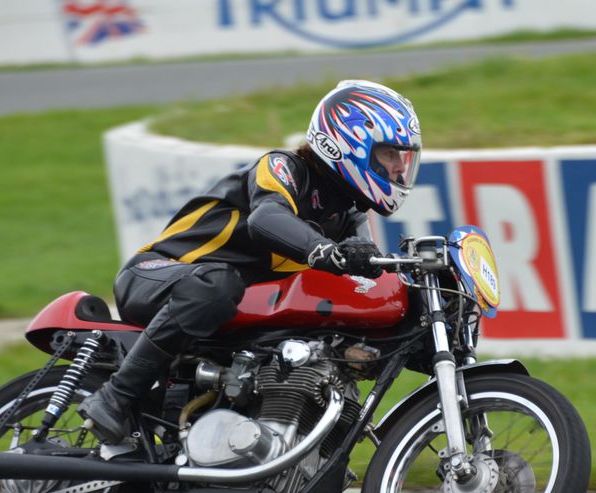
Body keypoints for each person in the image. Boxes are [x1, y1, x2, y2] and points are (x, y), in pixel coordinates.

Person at [78, 79, 422, 445]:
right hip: (155, 274)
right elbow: (265, 219)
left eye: (404, 157)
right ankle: (115, 397)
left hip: (226, 306)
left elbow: (362, 283)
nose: (399, 167)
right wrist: (326, 252)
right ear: (348, 142)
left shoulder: (349, 213)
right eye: (389, 154)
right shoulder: (283, 168)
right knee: (216, 284)